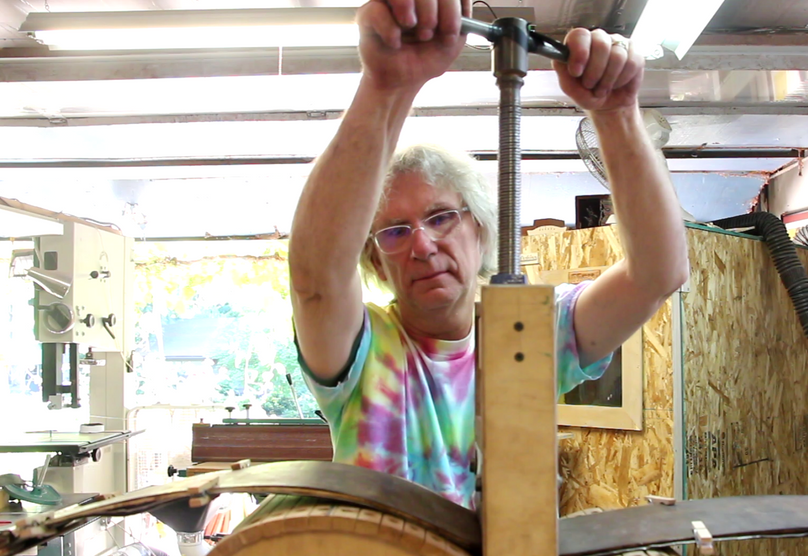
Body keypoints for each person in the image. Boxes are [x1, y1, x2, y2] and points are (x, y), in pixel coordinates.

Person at [289, 0, 689, 509]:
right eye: (394, 230)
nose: (423, 244)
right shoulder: (358, 352)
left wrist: (617, 114)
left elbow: (658, 274)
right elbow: (316, 278)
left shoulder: (530, 338)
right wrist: (386, 86)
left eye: (440, 218)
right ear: (375, 262)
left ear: (481, 230)